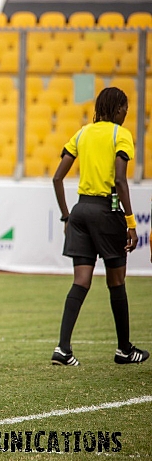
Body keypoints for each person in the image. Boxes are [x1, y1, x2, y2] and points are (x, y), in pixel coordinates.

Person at [51, 87, 148, 366]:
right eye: (125, 108)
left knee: (81, 281)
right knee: (116, 281)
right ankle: (124, 350)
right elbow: (120, 180)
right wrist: (130, 223)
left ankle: (63, 348)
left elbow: (58, 178)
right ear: (117, 109)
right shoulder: (121, 135)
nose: (126, 112)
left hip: (80, 211)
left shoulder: (82, 133)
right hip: (107, 212)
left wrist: (67, 217)